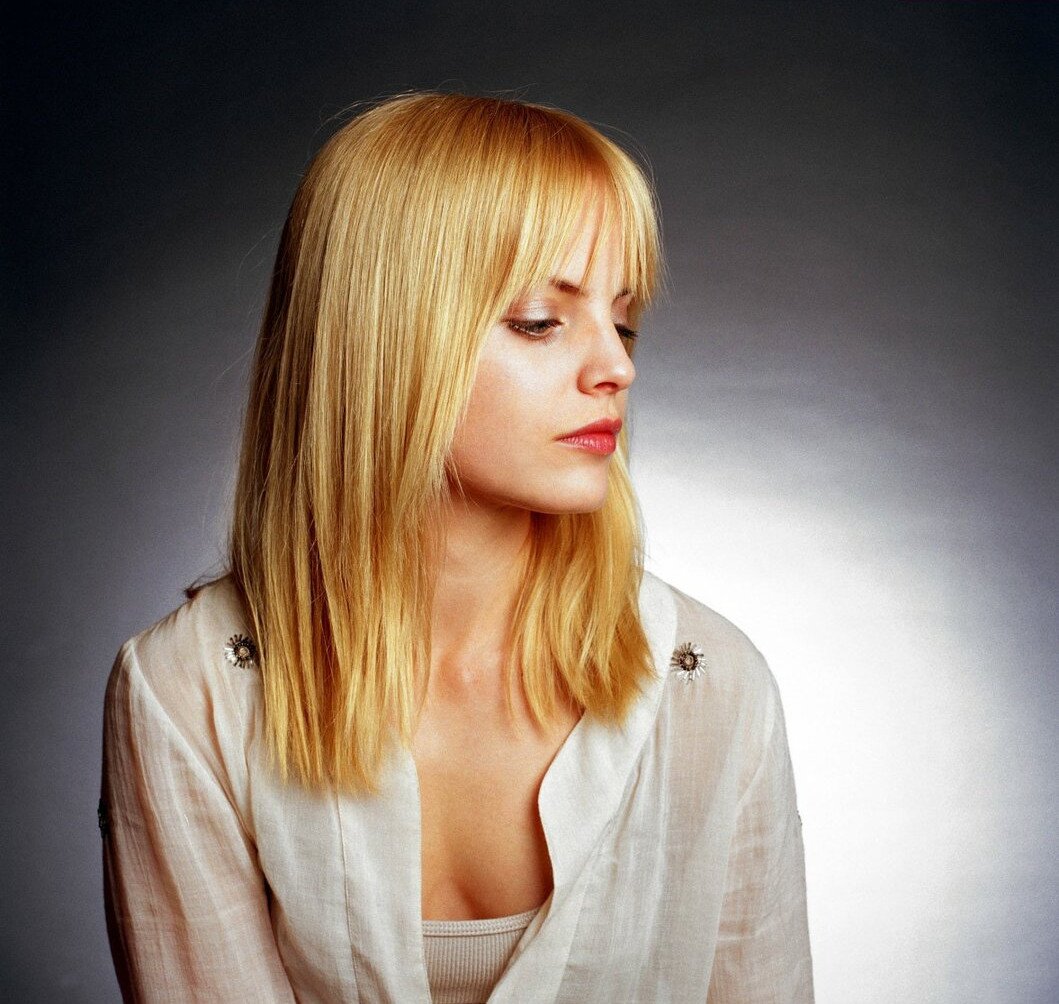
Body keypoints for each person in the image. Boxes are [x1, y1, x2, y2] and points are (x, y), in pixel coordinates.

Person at [101, 91, 814, 1004]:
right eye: (539, 320)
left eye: (624, 320)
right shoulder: (190, 691)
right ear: (383, 338)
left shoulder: (707, 684)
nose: (617, 366)